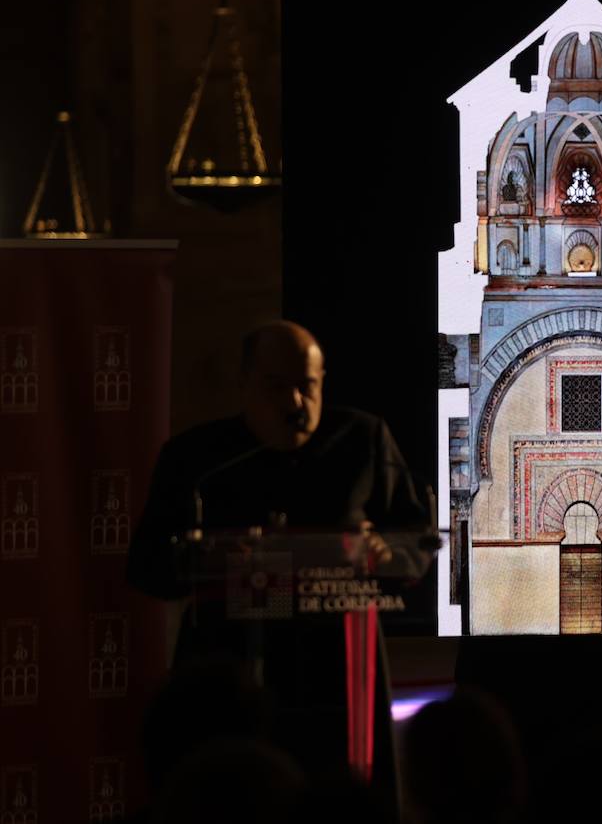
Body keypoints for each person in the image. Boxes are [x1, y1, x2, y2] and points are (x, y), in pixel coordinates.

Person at [126, 320, 431, 809]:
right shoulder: (196, 459)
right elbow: (143, 565)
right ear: (244, 385)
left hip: (337, 670)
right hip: (225, 680)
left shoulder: (363, 441)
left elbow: (416, 538)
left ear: (322, 381)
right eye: (276, 387)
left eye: (307, 387)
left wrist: (387, 554)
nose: (295, 404)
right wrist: (208, 559)